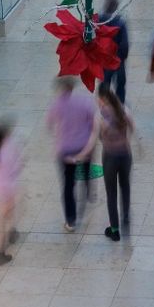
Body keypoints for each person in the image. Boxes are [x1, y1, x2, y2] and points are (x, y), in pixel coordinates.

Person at [46, 77, 97, 232]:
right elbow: (93, 120)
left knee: (68, 184)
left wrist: (58, 133)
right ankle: (88, 189)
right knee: (87, 168)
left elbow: (49, 124)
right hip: (84, 146)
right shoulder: (84, 101)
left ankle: (71, 220)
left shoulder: (56, 105)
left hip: (66, 149)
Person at [97, 83, 134, 242]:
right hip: (125, 155)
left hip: (110, 157)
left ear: (102, 98)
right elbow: (132, 127)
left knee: (111, 193)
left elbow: (99, 135)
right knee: (125, 185)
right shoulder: (124, 110)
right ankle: (125, 215)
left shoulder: (102, 115)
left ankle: (114, 230)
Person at [0, 121, 22, 265]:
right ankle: (0, 253)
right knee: (2, 220)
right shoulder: (7, 149)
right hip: (7, 189)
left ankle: (12, 231)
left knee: (6, 214)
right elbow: (16, 166)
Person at [100, 0, 129, 104]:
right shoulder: (120, 22)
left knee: (104, 82)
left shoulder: (98, 20)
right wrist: (123, 56)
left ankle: (103, 104)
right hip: (117, 58)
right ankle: (119, 106)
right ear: (116, 7)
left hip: (103, 57)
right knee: (120, 84)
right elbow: (124, 44)